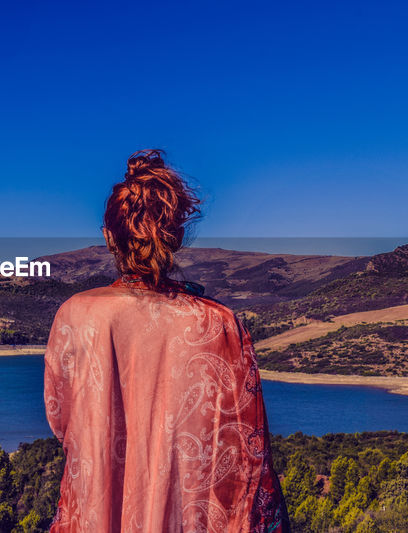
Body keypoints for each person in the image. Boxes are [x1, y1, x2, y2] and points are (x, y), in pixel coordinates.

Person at [44, 150, 289, 532]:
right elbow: (248, 458)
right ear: (175, 237)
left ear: (109, 237)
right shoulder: (221, 324)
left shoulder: (76, 316)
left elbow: (64, 424)